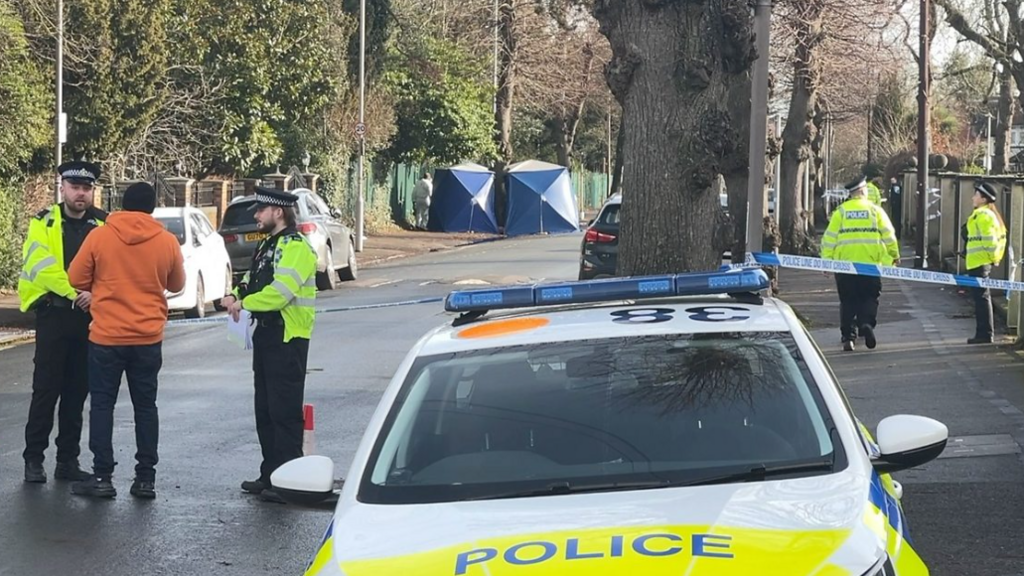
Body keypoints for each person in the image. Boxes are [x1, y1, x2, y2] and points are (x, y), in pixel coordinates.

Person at [68, 182, 186, 499]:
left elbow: (75, 278)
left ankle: (103, 476)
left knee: (103, 406)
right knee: (146, 407)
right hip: (148, 337)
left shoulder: (100, 235)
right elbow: (177, 284)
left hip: (107, 335)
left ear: (121, 204)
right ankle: (145, 478)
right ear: (152, 208)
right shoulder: (166, 241)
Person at [221, 187, 317, 504]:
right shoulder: (268, 246)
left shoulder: (296, 247)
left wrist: (245, 303)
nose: (255, 215)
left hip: (287, 338)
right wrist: (236, 294)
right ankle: (270, 474)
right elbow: (250, 278)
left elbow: (280, 293)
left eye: (260, 209)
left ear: (278, 212)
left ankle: (288, 479)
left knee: (285, 412)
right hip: (265, 335)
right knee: (264, 409)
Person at [18, 161, 107, 484]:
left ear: (92, 191)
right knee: (46, 390)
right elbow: (43, 267)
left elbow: (112, 268)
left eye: (86, 188)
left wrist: (94, 295)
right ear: (63, 189)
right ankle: (33, 459)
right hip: (55, 315)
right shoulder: (44, 222)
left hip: (89, 318)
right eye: (75, 187)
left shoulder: (104, 224)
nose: (80, 194)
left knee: (76, 392)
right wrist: (75, 293)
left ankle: (67, 461)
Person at [821, 176, 900, 352]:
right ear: (863, 191)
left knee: (848, 300)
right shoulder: (875, 211)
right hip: (870, 265)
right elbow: (889, 235)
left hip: (844, 266)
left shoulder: (840, 212)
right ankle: (866, 324)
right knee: (870, 297)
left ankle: (848, 337)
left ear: (851, 194)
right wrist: (895, 255)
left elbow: (829, 239)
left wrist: (826, 263)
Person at [963, 182, 1007, 344]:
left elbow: (990, 240)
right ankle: (983, 333)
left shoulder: (983, 215)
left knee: (981, 298)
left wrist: (993, 257)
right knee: (981, 297)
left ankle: (985, 334)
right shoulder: (984, 214)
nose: (972, 197)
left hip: (979, 263)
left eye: (976, 195)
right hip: (979, 261)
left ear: (983, 199)